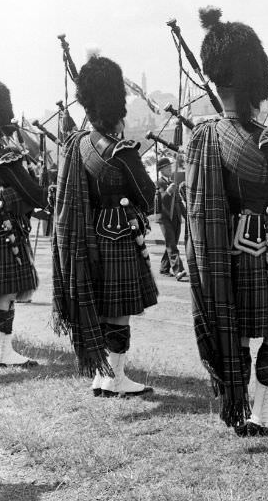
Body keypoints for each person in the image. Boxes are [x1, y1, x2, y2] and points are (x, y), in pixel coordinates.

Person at [185, 6, 268, 436]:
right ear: (256, 79)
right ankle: (262, 408)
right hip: (264, 247)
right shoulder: (265, 138)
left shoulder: (203, 135)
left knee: (233, 326)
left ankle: (233, 406)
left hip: (223, 250)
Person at [52, 54, 157, 397]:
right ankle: (115, 378)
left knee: (99, 306)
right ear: (115, 103)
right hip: (118, 235)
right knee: (120, 310)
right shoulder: (121, 152)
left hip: (88, 234)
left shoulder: (77, 144)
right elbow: (148, 195)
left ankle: (100, 374)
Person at [0, 81, 48, 367]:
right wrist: (38, 173)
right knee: (6, 292)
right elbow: (35, 195)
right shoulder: (5, 158)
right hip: (3, 233)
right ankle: (5, 352)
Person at [156, 156, 188, 281]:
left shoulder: (172, 182)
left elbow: (179, 202)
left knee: (171, 243)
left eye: (170, 167)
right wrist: (168, 192)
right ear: (161, 170)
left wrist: (187, 217)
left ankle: (164, 268)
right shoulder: (158, 183)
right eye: (167, 168)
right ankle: (178, 270)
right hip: (164, 217)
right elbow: (159, 201)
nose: (170, 169)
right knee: (171, 244)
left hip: (175, 217)